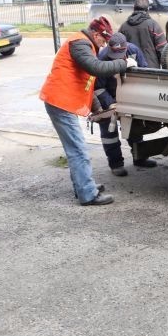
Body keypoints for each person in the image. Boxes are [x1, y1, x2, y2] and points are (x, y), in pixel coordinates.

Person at [40, 17, 129, 206]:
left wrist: (98, 108)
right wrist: (123, 64)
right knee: (78, 150)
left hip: (62, 101)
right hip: (60, 102)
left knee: (75, 149)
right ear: (96, 34)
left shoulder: (86, 45)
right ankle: (88, 194)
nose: (105, 44)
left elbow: (86, 81)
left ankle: (83, 186)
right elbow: (96, 69)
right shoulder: (80, 42)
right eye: (104, 40)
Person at [91, 32, 155, 176]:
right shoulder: (102, 58)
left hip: (129, 96)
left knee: (135, 129)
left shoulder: (133, 51)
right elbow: (98, 87)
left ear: (126, 48)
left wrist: (137, 69)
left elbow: (145, 73)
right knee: (109, 133)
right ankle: (116, 164)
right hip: (108, 97)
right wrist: (110, 104)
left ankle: (140, 158)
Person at [119, 0, 167, 69]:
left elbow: (119, 49)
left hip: (132, 69)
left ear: (134, 8)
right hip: (151, 69)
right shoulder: (153, 25)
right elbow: (162, 49)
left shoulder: (124, 26)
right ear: (148, 9)